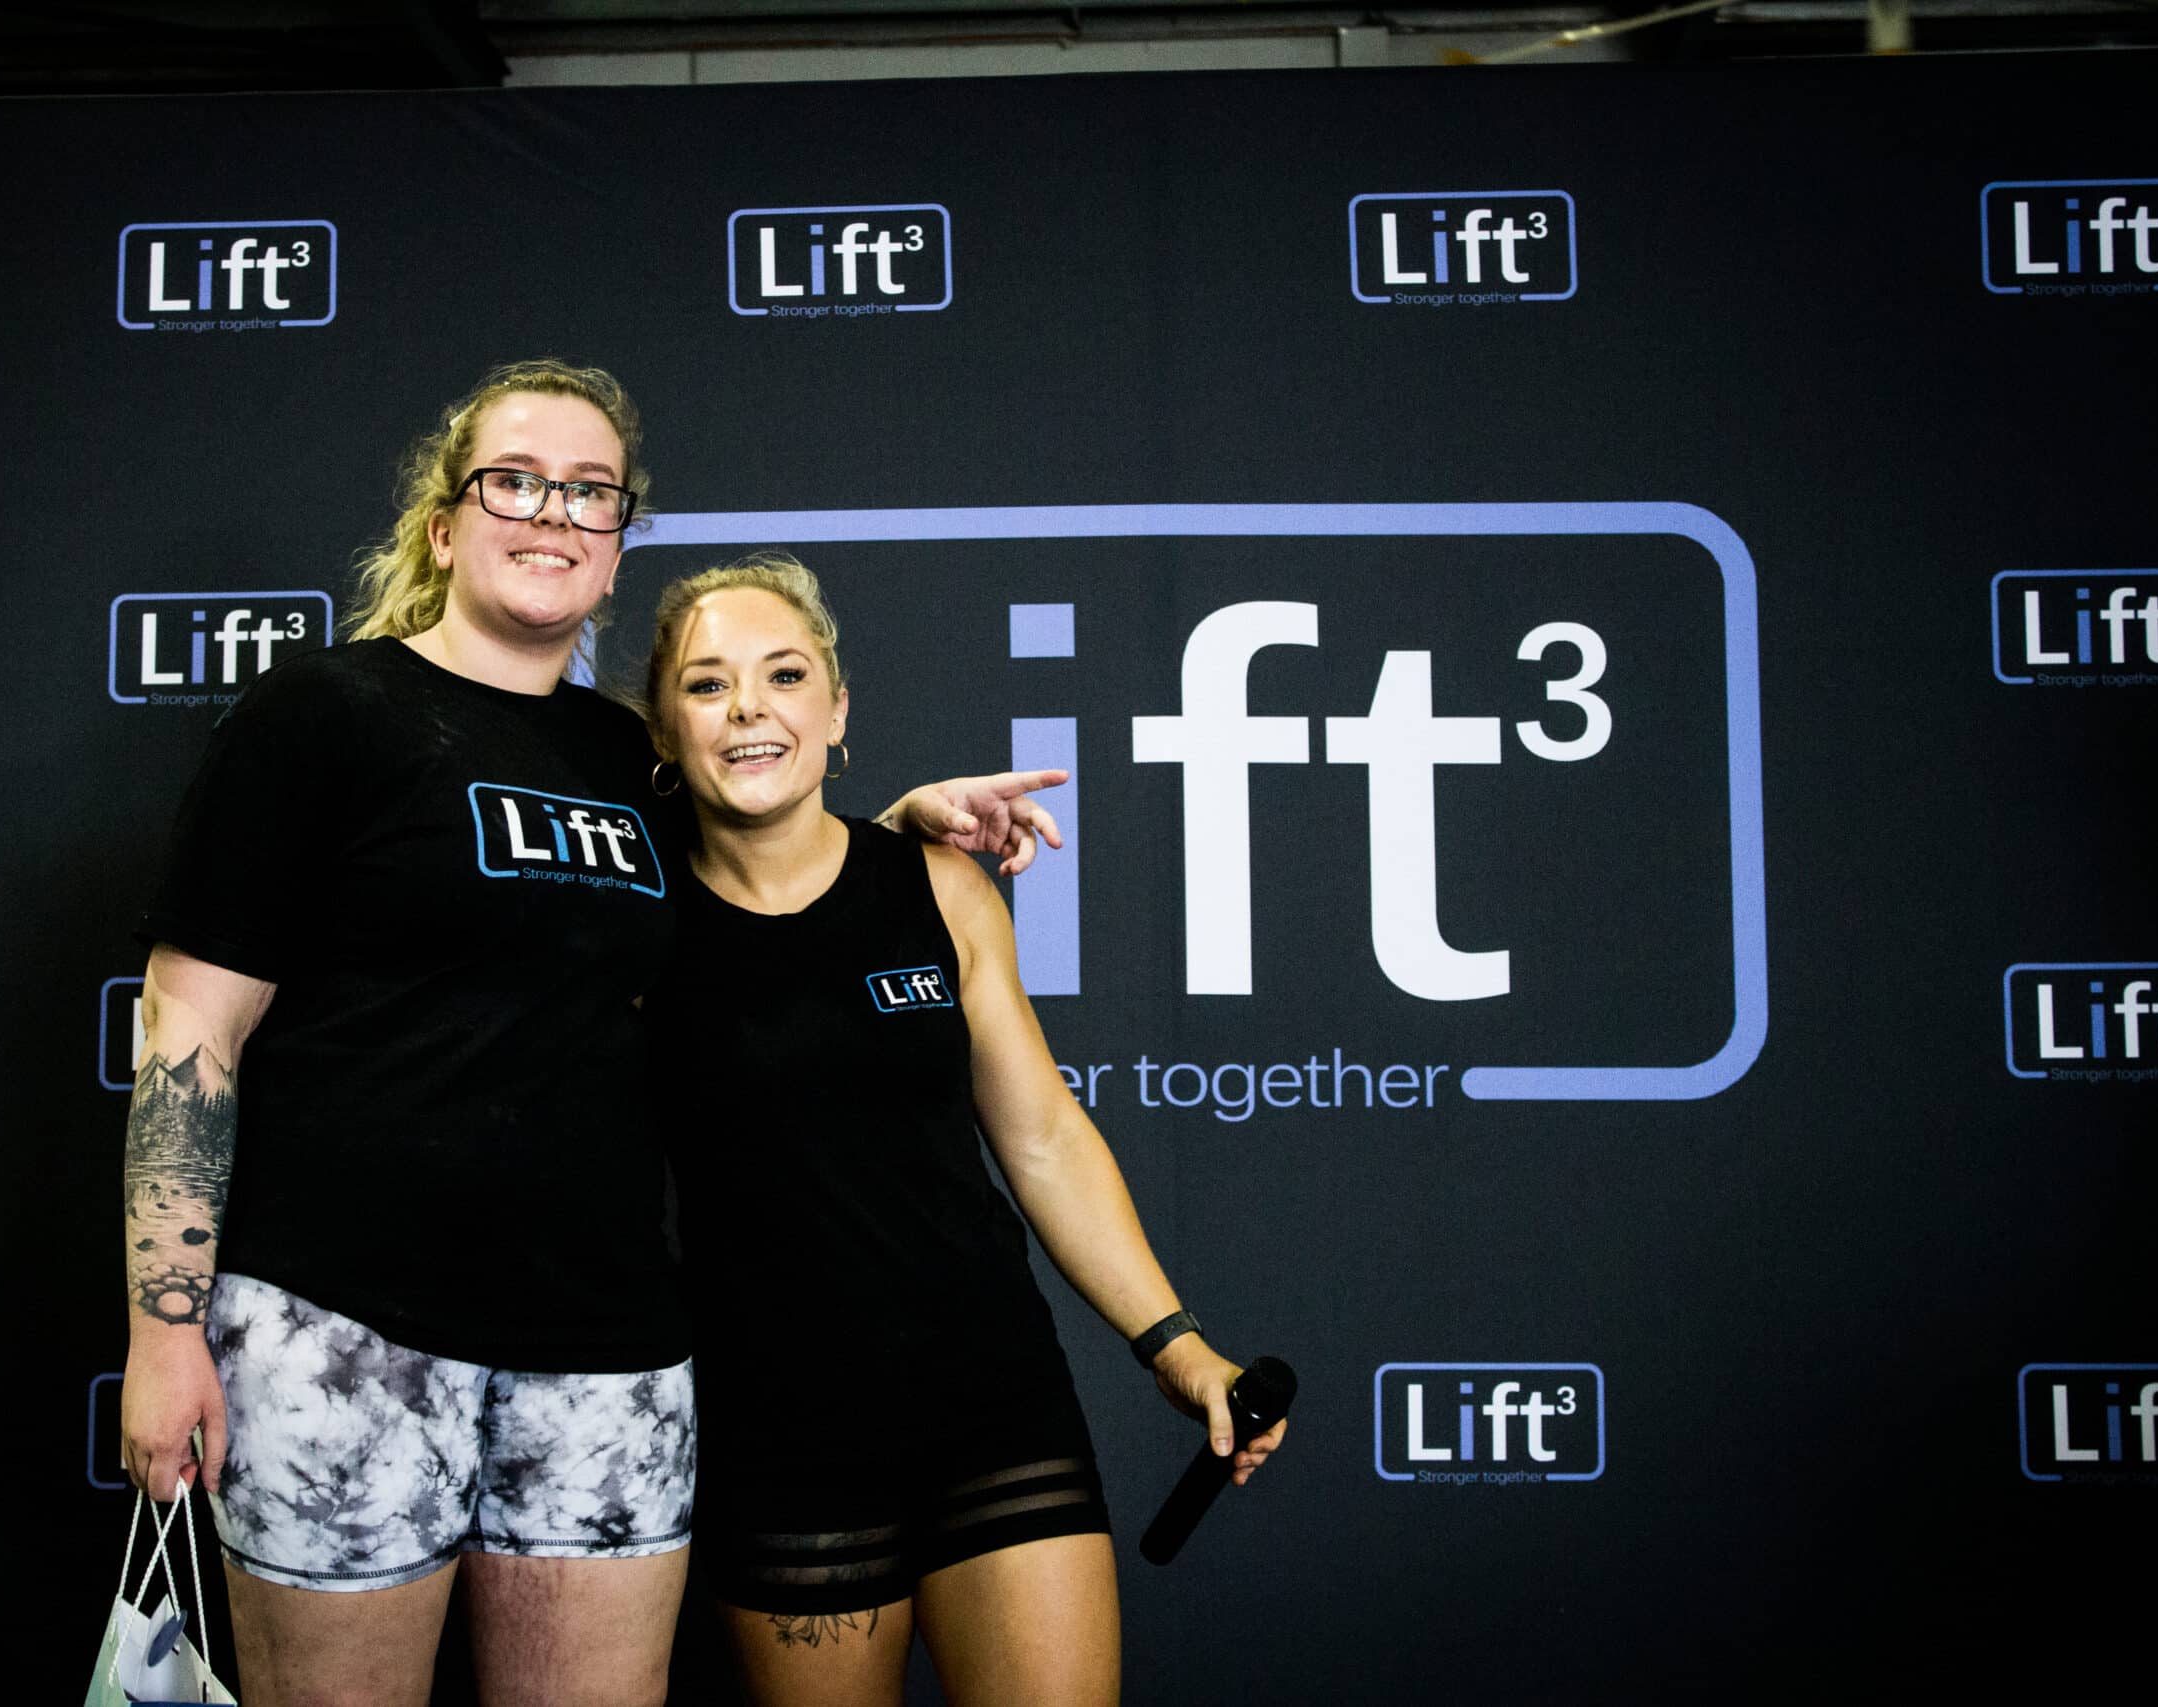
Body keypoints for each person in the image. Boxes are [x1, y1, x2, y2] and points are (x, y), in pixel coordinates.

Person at [116, 361, 1063, 1707]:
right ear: (445, 521)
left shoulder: (635, 762)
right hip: (342, 1328)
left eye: (591, 491)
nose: (552, 512)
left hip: (606, 1348)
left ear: (619, 543)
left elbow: (774, 860)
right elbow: (190, 1028)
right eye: (515, 481)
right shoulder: (323, 715)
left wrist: (906, 830)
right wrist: (165, 1329)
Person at [640, 553, 1288, 1707]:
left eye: (784, 675)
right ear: (661, 725)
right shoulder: (629, 921)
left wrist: (1176, 1348)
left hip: (992, 1403)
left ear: (838, 712)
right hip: (780, 1433)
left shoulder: (939, 888)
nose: (748, 708)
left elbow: (1042, 1139)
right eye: (706, 684)